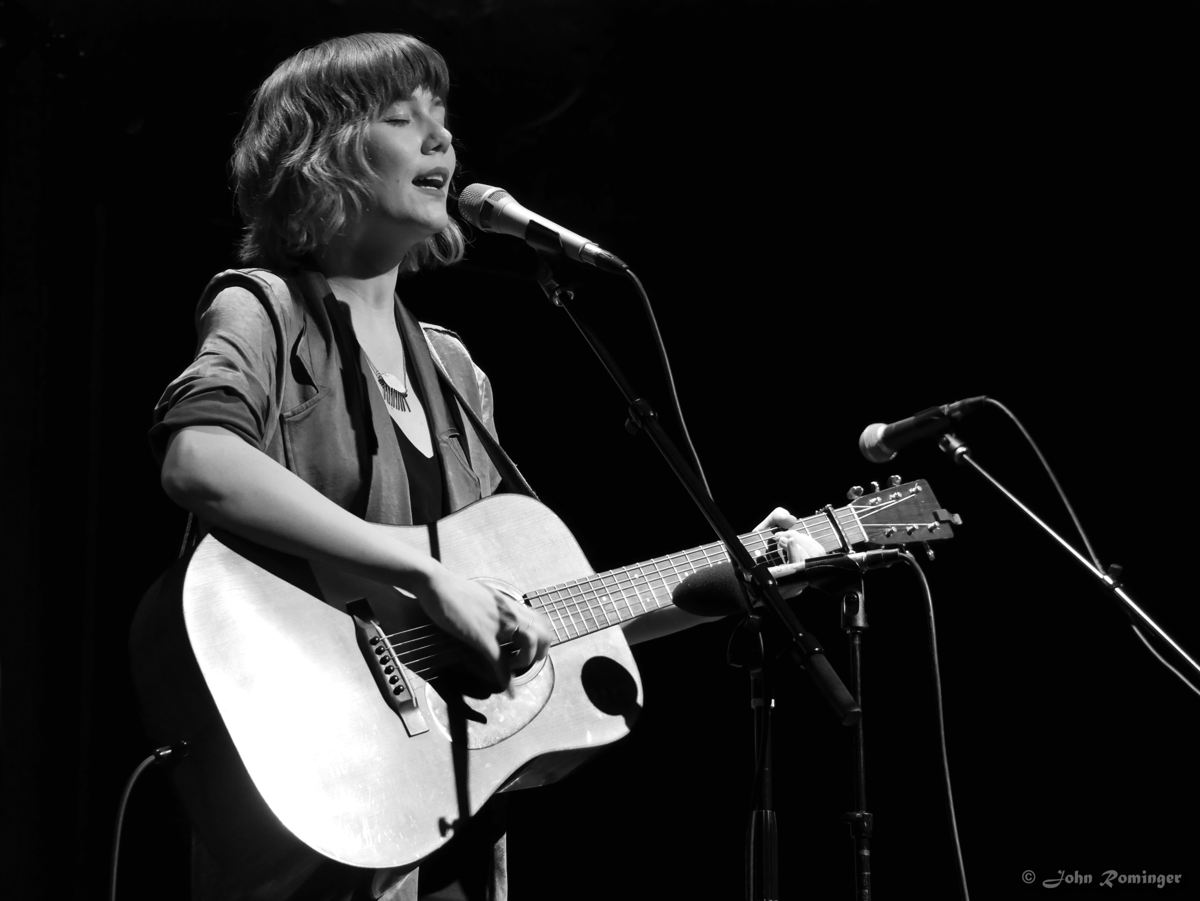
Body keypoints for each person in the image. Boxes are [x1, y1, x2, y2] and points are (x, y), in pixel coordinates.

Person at [150, 31, 822, 901]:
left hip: (454, 814)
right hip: (319, 788)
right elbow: (198, 457)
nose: (442, 142)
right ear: (320, 157)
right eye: (403, 118)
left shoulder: (456, 372)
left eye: (444, 123)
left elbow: (530, 615)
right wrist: (425, 576)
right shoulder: (267, 306)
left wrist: (736, 573)